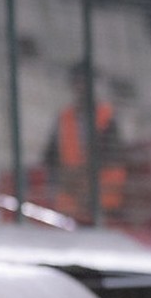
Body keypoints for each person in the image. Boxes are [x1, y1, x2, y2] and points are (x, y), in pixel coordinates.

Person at [43, 61, 126, 223]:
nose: (81, 87)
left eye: (84, 81)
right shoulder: (64, 118)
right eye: (77, 81)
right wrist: (66, 177)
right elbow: (50, 157)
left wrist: (83, 175)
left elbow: (113, 156)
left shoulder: (107, 116)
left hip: (103, 201)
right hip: (69, 202)